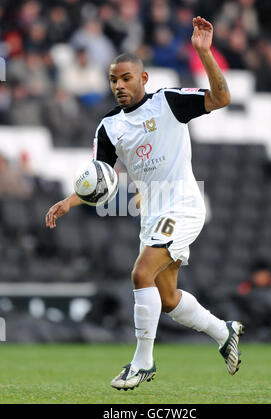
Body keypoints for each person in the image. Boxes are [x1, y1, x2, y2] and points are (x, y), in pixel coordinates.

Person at [46, 17, 244, 391]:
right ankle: (224, 331)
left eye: (126, 78)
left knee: (141, 273)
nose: (119, 85)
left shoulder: (169, 103)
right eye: (113, 80)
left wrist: (203, 53)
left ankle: (142, 363)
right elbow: (101, 177)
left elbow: (222, 99)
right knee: (166, 299)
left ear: (143, 79)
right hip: (151, 213)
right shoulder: (108, 127)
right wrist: (70, 201)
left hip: (183, 205)